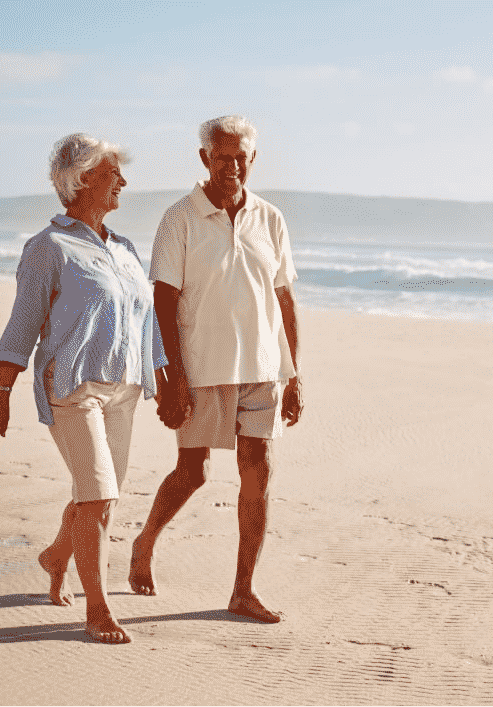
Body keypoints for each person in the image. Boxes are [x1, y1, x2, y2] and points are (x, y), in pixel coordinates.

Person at [0, 133, 167, 644]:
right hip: (73, 387)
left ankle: (56, 554)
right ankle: (97, 611)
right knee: (100, 497)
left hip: (126, 389)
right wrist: (1, 390)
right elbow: (23, 323)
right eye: (113, 174)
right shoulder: (48, 248)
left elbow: (143, 323)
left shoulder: (124, 249)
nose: (123, 182)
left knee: (98, 496)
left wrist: (164, 377)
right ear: (84, 181)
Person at [129, 115, 302, 623]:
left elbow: (285, 296)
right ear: (204, 158)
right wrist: (170, 376)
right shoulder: (179, 218)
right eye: (222, 157)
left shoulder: (270, 218)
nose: (231, 166)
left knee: (259, 472)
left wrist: (294, 373)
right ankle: (145, 541)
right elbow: (163, 300)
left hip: (263, 367)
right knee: (193, 472)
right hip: (201, 368)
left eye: (240, 157)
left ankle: (242, 590)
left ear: (252, 159)